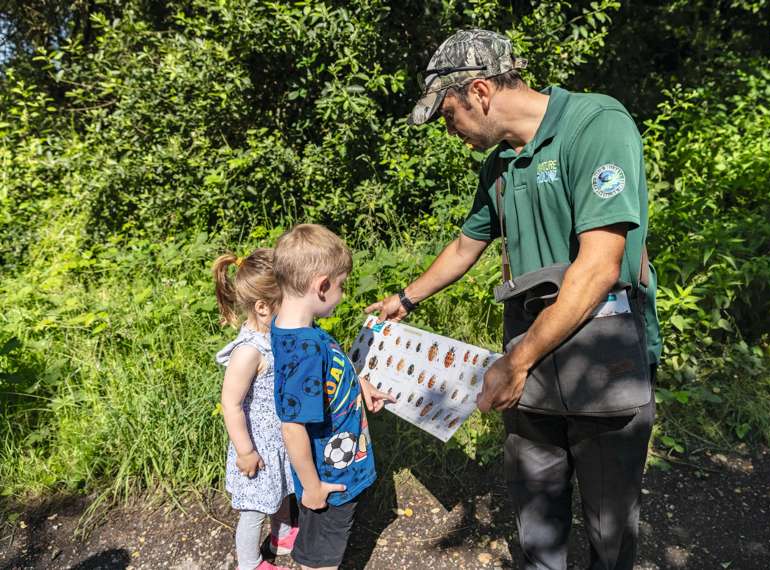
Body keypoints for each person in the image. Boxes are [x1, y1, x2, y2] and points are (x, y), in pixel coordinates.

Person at [366, 29, 662, 570]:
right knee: (536, 519)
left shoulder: (595, 125)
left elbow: (599, 265)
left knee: (609, 526)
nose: (449, 130)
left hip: (601, 357)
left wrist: (515, 362)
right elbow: (465, 244)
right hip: (531, 356)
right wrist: (405, 299)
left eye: (449, 114)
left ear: (480, 91)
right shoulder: (500, 168)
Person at [270, 224, 395, 570]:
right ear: (322, 285)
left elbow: (329, 375)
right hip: (329, 478)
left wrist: (359, 385)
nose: (342, 294)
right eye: (340, 286)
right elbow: (292, 426)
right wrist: (312, 488)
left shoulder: (298, 330)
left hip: (338, 466)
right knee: (320, 558)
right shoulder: (304, 349)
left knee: (330, 544)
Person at [213, 249, 299, 570]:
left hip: (278, 438)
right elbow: (231, 403)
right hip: (256, 445)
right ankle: (249, 562)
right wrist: (245, 451)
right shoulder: (248, 351)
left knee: (280, 489)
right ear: (263, 307)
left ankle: (283, 533)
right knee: (253, 509)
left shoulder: (275, 333)